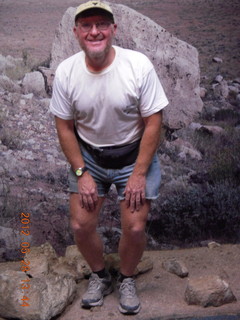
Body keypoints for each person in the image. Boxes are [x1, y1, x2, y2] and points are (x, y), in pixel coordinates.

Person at [50, 0, 168, 315]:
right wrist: (80, 173)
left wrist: (139, 173)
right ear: (76, 32)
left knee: (134, 227)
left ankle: (126, 278)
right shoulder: (67, 72)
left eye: (102, 24)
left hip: (134, 154)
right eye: (86, 25)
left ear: (113, 29)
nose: (95, 31)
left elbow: (154, 120)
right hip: (89, 157)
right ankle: (101, 276)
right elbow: (63, 126)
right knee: (80, 224)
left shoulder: (138, 65)